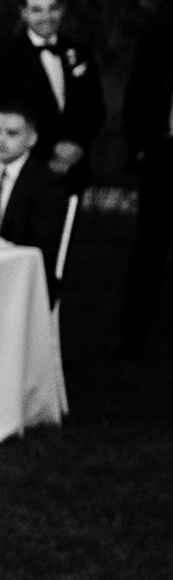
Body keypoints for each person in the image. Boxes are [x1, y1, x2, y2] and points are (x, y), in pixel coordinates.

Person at [0, 0, 105, 193]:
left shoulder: (79, 51)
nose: (46, 17)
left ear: (62, 9)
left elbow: (95, 107)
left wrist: (77, 146)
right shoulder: (3, 56)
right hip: (28, 168)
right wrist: (51, 149)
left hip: (74, 170)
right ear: (24, 13)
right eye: (37, 10)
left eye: (52, 8)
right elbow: (2, 111)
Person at [0, 103, 71, 300]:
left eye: (12, 133)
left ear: (32, 138)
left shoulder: (46, 183)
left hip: (22, 278)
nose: (1, 140)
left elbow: (42, 245)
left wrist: (1, 248)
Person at [119, 22, 173, 355]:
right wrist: (140, 148)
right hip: (162, 152)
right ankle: (132, 337)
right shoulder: (158, 37)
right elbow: (136, 94)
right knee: (150, 247)